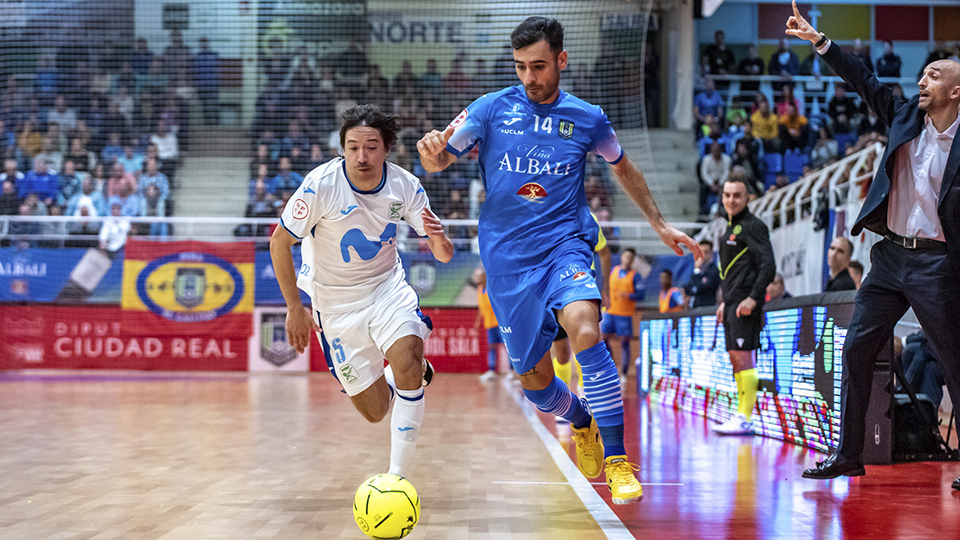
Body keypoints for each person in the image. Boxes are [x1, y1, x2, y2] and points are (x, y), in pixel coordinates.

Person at [416, 16, 701, 504]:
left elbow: (624, 167)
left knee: (586, 329)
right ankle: (581, 418)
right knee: (536, 383)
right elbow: (441, 159)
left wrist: (657, 223)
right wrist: (431, 152)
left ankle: (617, 459)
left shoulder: (588, 118)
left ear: (562, 61)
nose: (530, 76)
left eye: (540, 66)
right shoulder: (488, 110)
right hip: (507, 263)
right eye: (522, 66)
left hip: (564, 245)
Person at [787, 2, 960, 489]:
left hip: (935, 262)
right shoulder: (904, 116)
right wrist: (819, 41)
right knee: (857, 350)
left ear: (956, 91)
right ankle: (849, 454)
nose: (922, 80)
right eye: (923, 73)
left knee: (953, 358)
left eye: (934, 74)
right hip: (887, 259)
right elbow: (862, 80)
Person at [270, 104, 453, 480]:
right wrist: (293, 308)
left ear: (387, 149)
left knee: (406, 358)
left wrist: (438, 237)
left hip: (387, 289)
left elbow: (444, 253)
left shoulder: (405, 186)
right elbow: (279, 242)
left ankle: (396, 478)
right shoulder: (321, 185)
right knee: (374, 411)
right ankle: (409, 371)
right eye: (353, 147)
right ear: (342, 149)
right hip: (334, 306)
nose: (361, 156)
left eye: (371, 147)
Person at [713, 177, 776, 435]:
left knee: (745, 358)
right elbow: (729, 273)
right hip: (731, 305)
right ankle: (741, 413)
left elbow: (768, 265)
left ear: (747, 197)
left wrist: (753, 297)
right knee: (735, 359)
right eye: (727, 195)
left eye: (737, 195)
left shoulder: (754, 226)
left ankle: (746, 418)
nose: (731, 200)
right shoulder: (727, 228)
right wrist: (724, 303)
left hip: (745, 305)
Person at [601, 247, 641, 379]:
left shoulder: (635, 275)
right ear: (622, 257)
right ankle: (611, 368)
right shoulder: (614, 270)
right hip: (611, 311)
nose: (627, 259)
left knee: (624, 343)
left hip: (625, 314)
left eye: (630, 257)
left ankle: (623, 373)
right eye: (625, 256)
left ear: (632, 260)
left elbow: (642, 295)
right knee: (603, 338)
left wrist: (629, 295)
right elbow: (606, 287)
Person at [475, 267, 507, 381]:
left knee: (506, 346)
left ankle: (512, 372)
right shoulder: (479, 289)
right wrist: (478, 321)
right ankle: (492, 370)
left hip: (499, 322)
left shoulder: (492, 288)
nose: (478, 279)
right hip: (489, 323)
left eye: (479, 276)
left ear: (485, 277)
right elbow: (481, 307)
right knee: (491, 346)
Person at [683, 240, 721, 308]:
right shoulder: (697, 272)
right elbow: (690, 289)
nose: (703, 256)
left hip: (708, 309)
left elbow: (700, 288)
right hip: (696, 309)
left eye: (706, 252)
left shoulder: (714, 271)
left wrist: (697, 270)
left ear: (711, 253)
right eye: (701, 252)